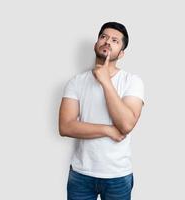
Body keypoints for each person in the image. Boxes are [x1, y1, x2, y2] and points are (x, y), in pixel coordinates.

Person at [58, 22, 145, 200]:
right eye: (103, 37)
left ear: (121, 53)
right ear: (96, 44)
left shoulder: (132, 81)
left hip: (118, 175)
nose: (107, 41)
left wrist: (105, 81)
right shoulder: (76, 82)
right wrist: (107, 130)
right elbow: (65, 127)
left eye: (115, 40)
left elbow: (126, 124)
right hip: (81, 174)